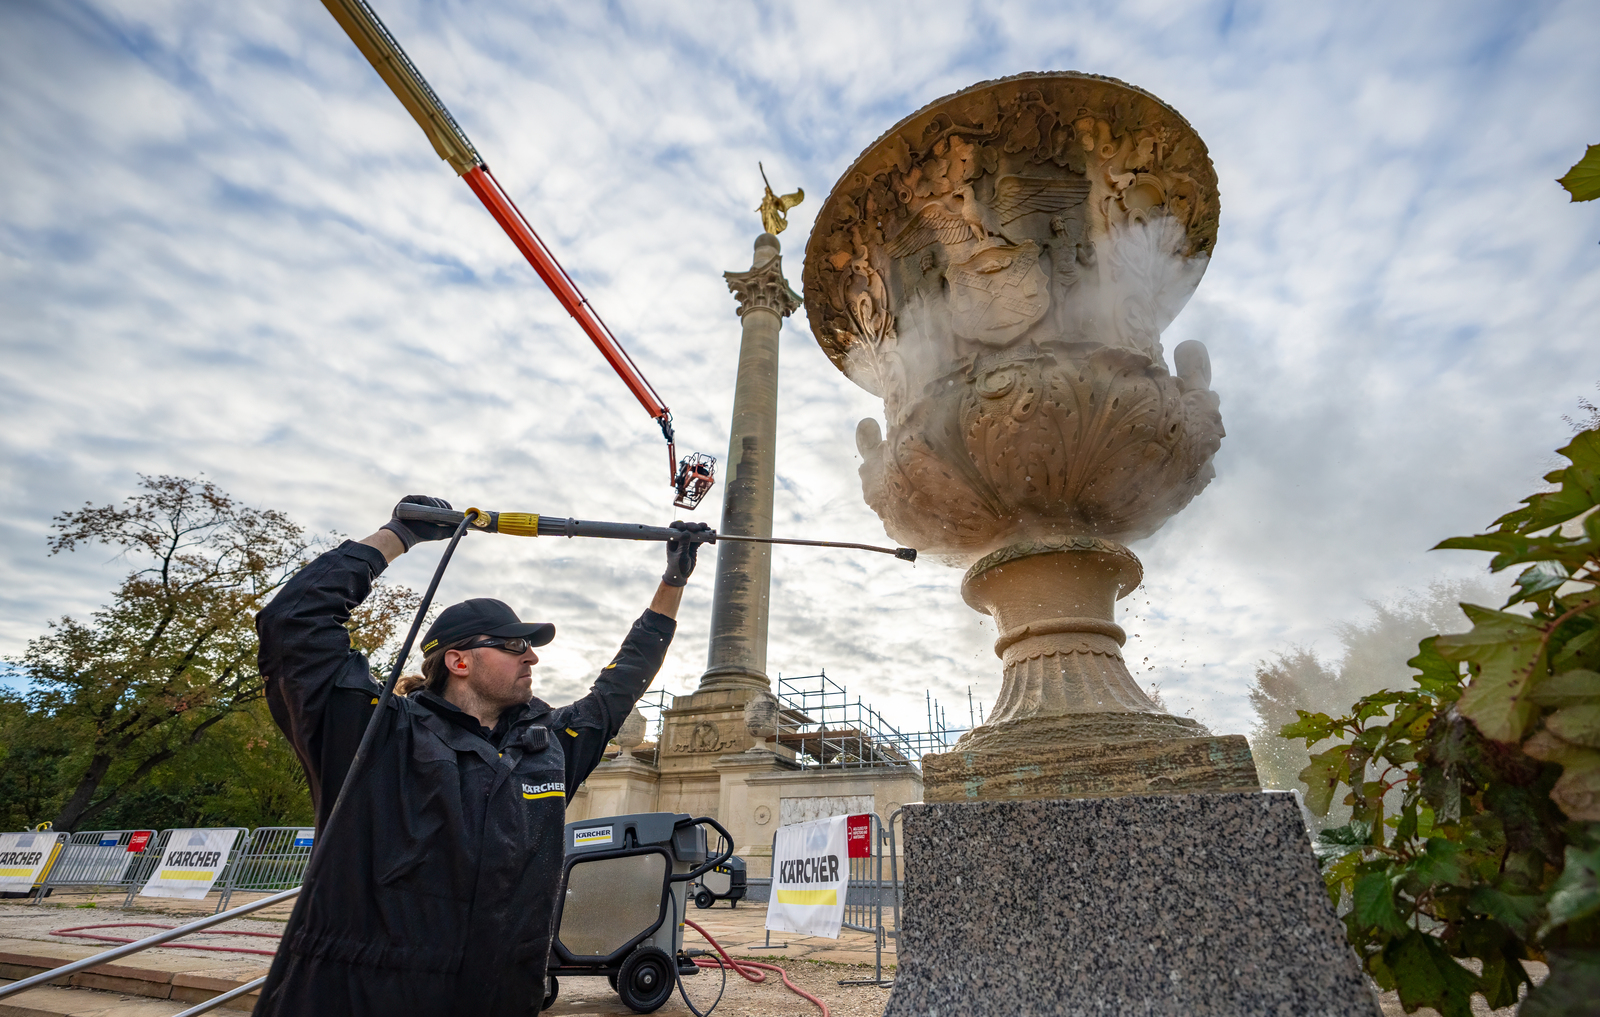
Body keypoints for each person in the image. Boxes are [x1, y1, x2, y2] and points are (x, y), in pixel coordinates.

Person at [252, 495, 709, 1016]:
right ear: (458, 661)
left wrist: (673, 582)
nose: (531, 656)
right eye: (513, 645)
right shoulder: (374, 733)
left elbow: (622, 683)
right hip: (359, 997)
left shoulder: (547, 747)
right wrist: (398, 536)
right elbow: (294, 623)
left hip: (498, 998)